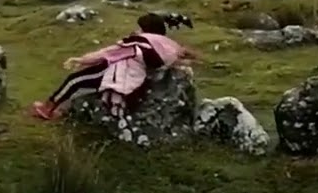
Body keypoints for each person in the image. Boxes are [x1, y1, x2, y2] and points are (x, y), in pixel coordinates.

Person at [31, 13, 199, 120]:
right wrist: (187, 61)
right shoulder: (167, 46)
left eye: (139, 28)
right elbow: (180, 55)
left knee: (74, 81)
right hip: (131, 75)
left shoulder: (138, 44)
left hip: (115, 73)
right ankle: (55, 107)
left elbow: (109, 54)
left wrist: (81, 60)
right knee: (77, 82)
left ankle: (48, 108)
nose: (136, 31)